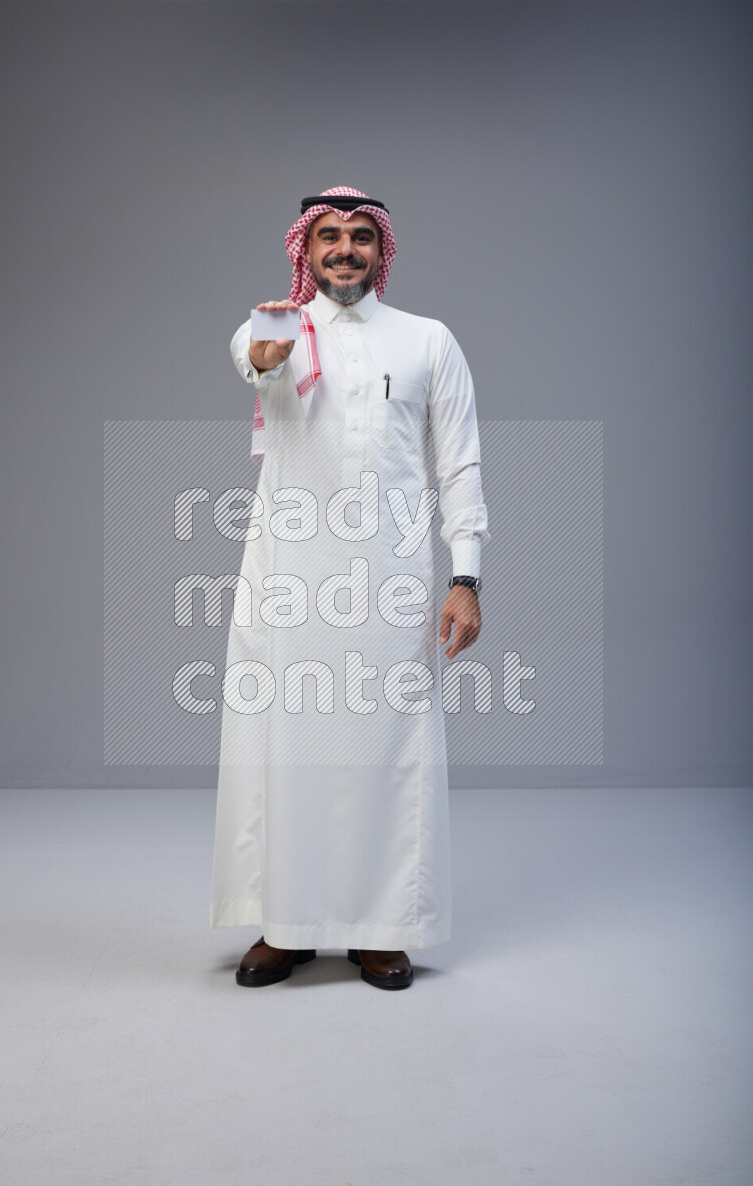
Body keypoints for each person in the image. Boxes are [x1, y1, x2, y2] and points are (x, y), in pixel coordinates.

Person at [210, 186, 489, 990]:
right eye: (328, 236)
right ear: (306, 247)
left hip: (392, 582)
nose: (344, 250)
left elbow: (460, 463)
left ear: (381, 250)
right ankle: (286, 926)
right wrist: (268, 353)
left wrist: (465, 576)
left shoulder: (428, 340)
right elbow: (253, 363)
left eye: (360, 237)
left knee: (384, 753)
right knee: (286, 747)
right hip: (289, 579)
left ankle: (381, 928)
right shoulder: (273, 323)